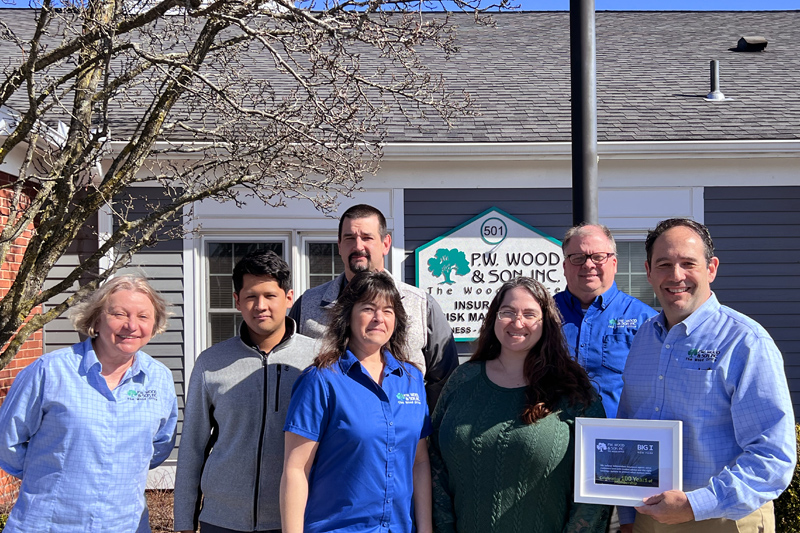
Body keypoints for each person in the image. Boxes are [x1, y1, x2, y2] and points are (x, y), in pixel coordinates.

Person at [617, 218, 796, 533]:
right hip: (650, 518)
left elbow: (773, 455)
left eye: (688, 263)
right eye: (663, 264)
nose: (676, 276)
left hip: (723, 519)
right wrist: (630, 517)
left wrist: (693, 505)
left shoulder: (744, 341)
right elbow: (632, 429)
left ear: (711, 268)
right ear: (647, 271)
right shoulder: (644, 338)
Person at [429, 277, 609, 533]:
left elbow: (596, 481)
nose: (517, 322)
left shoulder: (572, 390)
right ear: (494, 318)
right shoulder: (463, 379)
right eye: (508, 312)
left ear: (545, 323)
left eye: (529, 314)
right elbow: (434, 458)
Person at [0, 275, 178, 533]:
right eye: (119, 314)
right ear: (96, 318)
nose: (131, 325)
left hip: (125, 525)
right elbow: (8, 443)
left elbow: (159, 445)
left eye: (143, 316)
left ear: (155, 324)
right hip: (49, 524)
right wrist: (55, 477)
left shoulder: (159, 379)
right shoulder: (49, 372)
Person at [174, 250, 317, 533]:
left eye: (270, 295)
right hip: (222, 520)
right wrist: (184, 521)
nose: (260, 305)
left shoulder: (319, 359)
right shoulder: (210, 362)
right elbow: (192, 446)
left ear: (289, 298)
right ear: (237, 300)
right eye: (251, 296)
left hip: (295, 519)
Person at [281, 270, 432, 533]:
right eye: (368, 308)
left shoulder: (412, 380)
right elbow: (296, 469)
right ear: (348, 315)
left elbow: (419, 462)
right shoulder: (321, 380)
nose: (379, 318)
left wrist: (426, 529)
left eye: (388, 310)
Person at [288, 203, 457, 409]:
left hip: (404, 437)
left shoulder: (421, 306)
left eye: (367, 238)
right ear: (339, 245)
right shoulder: (307, 305)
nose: (358, 246)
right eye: (350, 238)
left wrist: (424, 430)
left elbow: (445, 380)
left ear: (386, 244)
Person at [555, 223, 656, 419]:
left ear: (614, 263)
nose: (588, 264)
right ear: (565, 267)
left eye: (598, 256)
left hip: (619, 438)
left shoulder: (646, 320)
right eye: (578, 257)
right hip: (555, 439)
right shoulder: (544, 315)